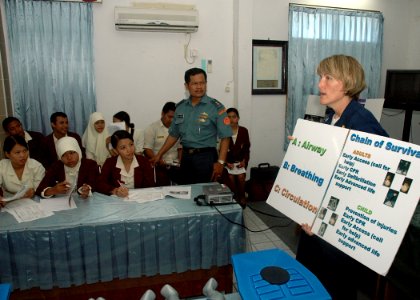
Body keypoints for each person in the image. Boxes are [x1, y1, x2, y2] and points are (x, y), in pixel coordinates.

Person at [296, 54, 389, 300]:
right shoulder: (333, 117)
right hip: (320, 221)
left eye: (328, 78)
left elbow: (369, 183)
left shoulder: (362, 123)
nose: (320, 84)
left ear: (347, 83)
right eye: (320, 77)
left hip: (339, 229)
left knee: (335, 288)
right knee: (309, 281)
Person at [151, 68, 232, 184]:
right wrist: (159, 154)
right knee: (186, 192)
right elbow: (174, 135)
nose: (199, 87)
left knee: (204, 194)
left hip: (206, 158)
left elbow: (225, 137)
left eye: (202, 83)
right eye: (195, 83)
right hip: (186, 158)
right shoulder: (180, 108)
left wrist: (221, 162)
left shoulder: (215, 107)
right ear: (186, 86)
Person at [96, 130, 155, 198]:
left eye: (131, 144)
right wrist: (115, 190)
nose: (129, 150)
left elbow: (150, 185)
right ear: (115, 150)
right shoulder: (110, 162)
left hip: (139, 200)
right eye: (123, 148)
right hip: (117, 202)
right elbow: (100, 183)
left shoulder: (143, 161)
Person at [143, 102, 182, 186]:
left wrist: (180, 162)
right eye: (169, 117)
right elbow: (147, 149)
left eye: (174, 118)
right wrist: (157, 159)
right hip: (159, 165)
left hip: (175, 166)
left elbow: (180, 148)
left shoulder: (179, 128)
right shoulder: (152, 128)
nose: (172, 120)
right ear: (162, 113)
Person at [0, 135, 45, 205]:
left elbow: (41, 188)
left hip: (33, 202)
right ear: (7, 154)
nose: (22, 155)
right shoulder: (2, 166)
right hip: (9, 203)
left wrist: (34, 191)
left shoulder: (36, 166)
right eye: (17, 152)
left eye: (25, 151)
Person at [223, 108, 250, 207]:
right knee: (230, 177)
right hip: (228, 163)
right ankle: (235, 197)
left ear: (238, 118)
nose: (231, 119)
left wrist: (244, 161)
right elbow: (221, 151)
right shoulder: (224, 131)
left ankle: (242, 196)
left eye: (233, 117)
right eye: (228, 117)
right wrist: (226, 163)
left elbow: (247, 149)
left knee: (241, 177)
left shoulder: (243, 131)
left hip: (239, 163)